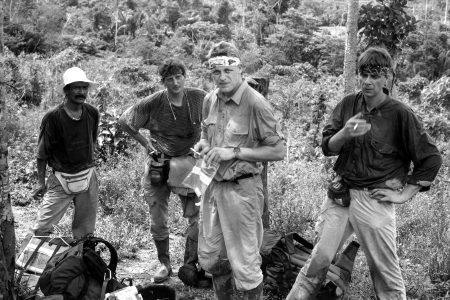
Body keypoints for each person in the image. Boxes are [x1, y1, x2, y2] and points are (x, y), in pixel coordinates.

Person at [286, 47, 443, 300]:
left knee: (385, 273)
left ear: (387, 77)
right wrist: (345, 133)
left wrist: (404, 195)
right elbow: (327, 146)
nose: (368, 81)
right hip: (341, 194)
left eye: (375, 76)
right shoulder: (349, 104)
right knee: (319, 259)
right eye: (364, 74)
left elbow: (431, 158)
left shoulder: (400, 114)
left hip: (374, 199)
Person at [194, 41, 286, 300]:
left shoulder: (255, 103)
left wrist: (233, 152)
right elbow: (204, 130)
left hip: (242, 190)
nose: (222, 77)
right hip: (212, 186)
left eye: (228, 71)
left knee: (245, 265)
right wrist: (203, 144)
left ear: (239, 70)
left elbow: (277, 151)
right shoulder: (209, 99)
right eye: (216, 72)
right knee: (212, 258)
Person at [118, 59, 207, 285]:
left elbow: (216, 120)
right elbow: (124, 121)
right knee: (158, 218)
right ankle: (164, 264)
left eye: (179, 77)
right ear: (163, 81)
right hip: (160, 163)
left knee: (197, 217)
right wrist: (146, 143)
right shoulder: (155, 101)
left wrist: (207, 143)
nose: (175, 82)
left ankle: (190, 264)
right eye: (170, 79)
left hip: (191, 162)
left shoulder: (198, 97)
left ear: (185, 77)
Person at [30, 66, 100, 240]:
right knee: (42, 228)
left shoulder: (92, 113)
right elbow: (42, 153)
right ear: (67, 91)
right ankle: (29, 262)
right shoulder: (53, 117)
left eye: (84, 88)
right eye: (76, 87)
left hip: (87, 176)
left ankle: (81, 260)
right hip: (61, 178)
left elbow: (92, 140)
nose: (81, 92)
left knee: (86, 231)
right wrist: (40, 182)